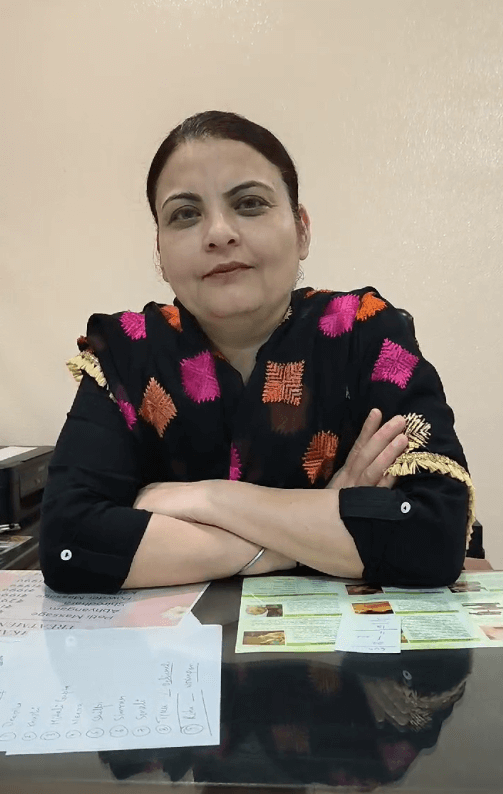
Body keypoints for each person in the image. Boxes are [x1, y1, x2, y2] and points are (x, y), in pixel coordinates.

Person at [39, 110, 474, 595]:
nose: (218, 233)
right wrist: (316, 531)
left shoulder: (365, 333)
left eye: (249, 203)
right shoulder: (126, 352)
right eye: (185, 214)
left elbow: (436, 535)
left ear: (301, 229)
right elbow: (70, 547)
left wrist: (207, 500)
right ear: (159, 252)